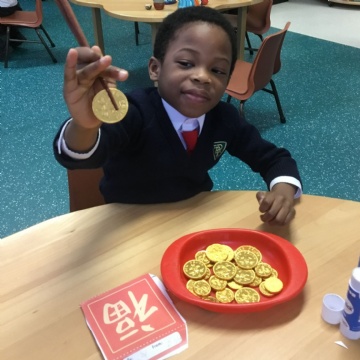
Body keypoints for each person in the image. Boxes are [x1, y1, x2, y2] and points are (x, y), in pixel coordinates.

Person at [53, 6, 302, 226]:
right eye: (185, 63)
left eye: (217, 70)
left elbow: (274, 158)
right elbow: (85, 154)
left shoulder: (225, 118)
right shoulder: (133, 111)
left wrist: (283, 189)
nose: (202, 76)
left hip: (192, 220)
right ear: (155, 69)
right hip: (127, 225)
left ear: (227, 80)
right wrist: (85, 125)